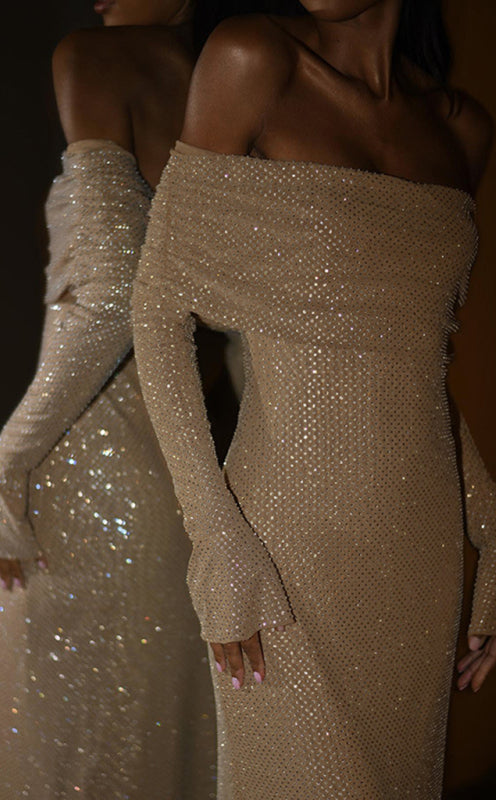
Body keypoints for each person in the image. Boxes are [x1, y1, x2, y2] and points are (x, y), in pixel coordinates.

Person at [131, 1, 496, 797]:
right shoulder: (251, 60)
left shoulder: (463, 129)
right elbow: (157, 311)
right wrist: (217, 539)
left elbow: (414, 371)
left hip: (419, 555)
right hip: (281, 555)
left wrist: (492, 523)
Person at [0, 1, 247, 797]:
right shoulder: (239, 87)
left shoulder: (91, 56)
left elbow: (116, 295)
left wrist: (8, 463)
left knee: (58, 748)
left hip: (86, 469)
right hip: (182, 475)